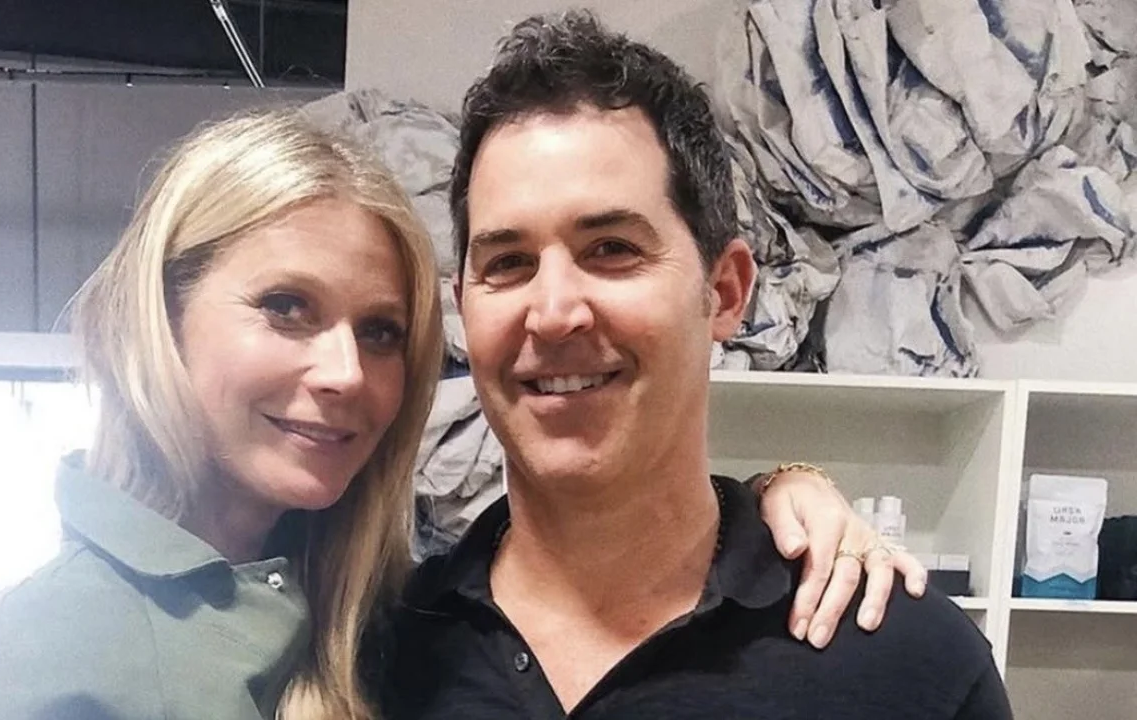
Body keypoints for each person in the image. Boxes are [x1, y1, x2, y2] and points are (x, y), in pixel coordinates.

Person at [0, 108, 919, 719]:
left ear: (725, 292)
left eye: (381, 332)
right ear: (163, 315)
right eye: (286, 308)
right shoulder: (70, 637)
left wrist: (782, 493)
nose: (345, 373)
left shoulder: (365, 608)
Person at [381, 10, 1013, 719]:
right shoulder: (377, 658)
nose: (553, 313)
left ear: (726, 292)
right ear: (464, 306)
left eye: (611, 249)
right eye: (507, 262)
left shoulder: (910, 666)